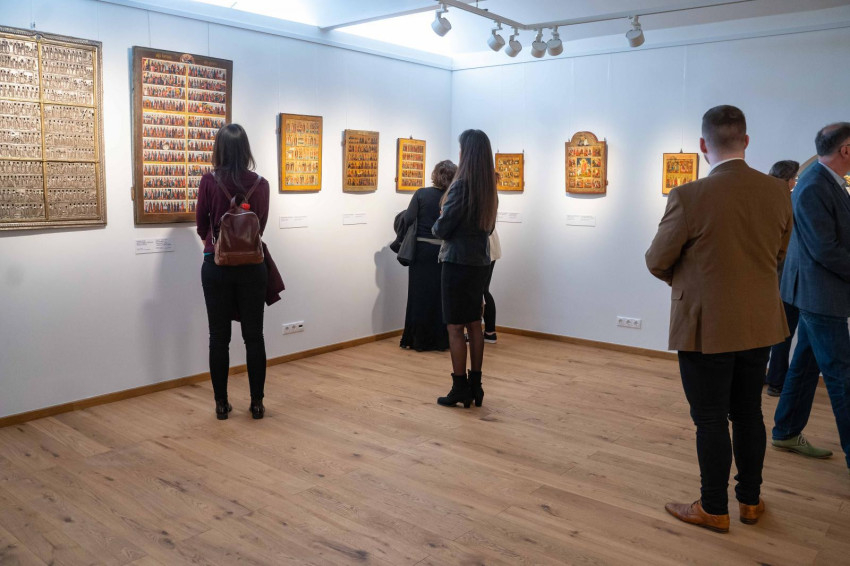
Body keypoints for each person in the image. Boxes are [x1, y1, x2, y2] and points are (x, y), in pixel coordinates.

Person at [646, 105, 792, 533]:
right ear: (746, 140)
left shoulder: (688, 195)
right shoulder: (778, 192)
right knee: (749, 413)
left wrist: (694, 279)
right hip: (760, 322)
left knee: (709, 418)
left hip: (705, 324)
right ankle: (750, 501)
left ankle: (713, 507)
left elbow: (657, 260)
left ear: (702, 145)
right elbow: (778, 255)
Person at [772, 123, 850, 470]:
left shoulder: (826, 182)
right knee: (842, 375)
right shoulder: (815, 185)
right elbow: (824, 249)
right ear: (845, 150)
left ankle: (786, 430)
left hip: (819, 292)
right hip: (821, 294)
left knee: (806, 363)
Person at [196, 124, 271, 420]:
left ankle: (221, 404)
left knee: (218, 337)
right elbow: (260, 226)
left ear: (219, 149)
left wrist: (218, 241)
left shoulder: (208, 181)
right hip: (253, 267)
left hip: (216, 266)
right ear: (246, 149)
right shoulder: (261, 184)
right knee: (254, 336)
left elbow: (202, 225)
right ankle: (257, 404)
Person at [432, 129, 498, 409]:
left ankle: (460, 387)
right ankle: (476, 386)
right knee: (474, 323)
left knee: (455, 327)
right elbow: (489, 228)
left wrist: (439, 221)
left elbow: (442, 228)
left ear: (465, 153)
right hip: (480, 263)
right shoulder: (488, 187)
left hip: (457, 263)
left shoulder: (461, 186)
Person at [399, 160, 456, 351]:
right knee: (441, 297)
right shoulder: (453, 196)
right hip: (445, 251)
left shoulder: (421, 194)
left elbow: (408, 218)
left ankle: (417, 340)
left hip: (422, 251)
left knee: (418, 296)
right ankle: (440, 340)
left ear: (434, 175)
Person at [764, 160, 802, 397]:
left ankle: (763, 376)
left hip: (764, 276)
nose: (795, 182)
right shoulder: (792, 203)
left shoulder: (760, 201)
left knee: (764, 330)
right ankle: (777, 382)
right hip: (786, 277)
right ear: (789, 180)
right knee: (783, 332)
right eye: (794, 178)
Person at [483, 228, 501, 344]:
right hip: (488, 247)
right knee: (483, 290)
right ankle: (490, 332)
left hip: (483, 248)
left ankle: (474, 333)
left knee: (480, 291)